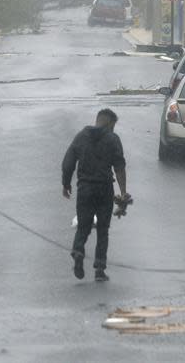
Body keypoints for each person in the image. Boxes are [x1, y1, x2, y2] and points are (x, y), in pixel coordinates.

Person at [62, 109, 127, 282]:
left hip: (85, 189)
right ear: (109, 123)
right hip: (104, 189)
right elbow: (119, 168)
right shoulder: (113, 139)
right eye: (113, 126)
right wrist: (123, 192)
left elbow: (68, 161)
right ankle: (99, 269)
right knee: (103, 230)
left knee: (83, 226)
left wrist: (66, 184)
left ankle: (78, 251)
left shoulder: (81, 136)